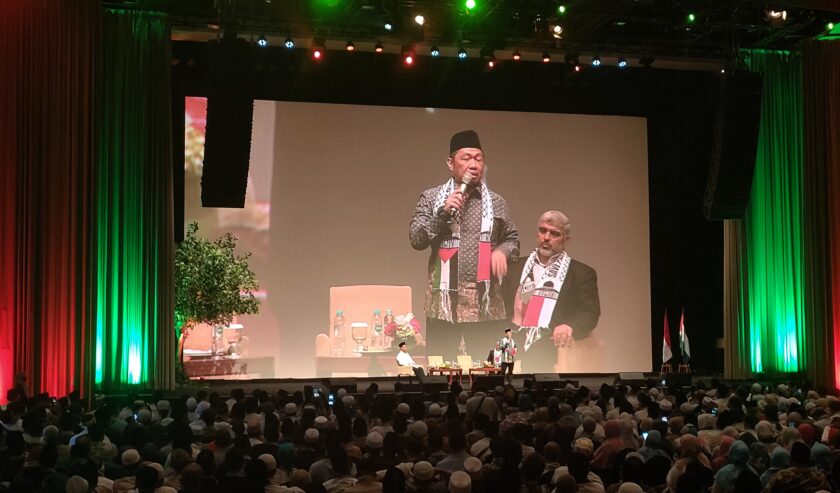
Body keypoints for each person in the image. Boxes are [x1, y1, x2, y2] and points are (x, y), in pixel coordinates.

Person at [409, 130, 519, 360]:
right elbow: (416, 239)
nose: (474, 165)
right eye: (466, 158)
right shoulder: (431, 198)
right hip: (443, 305)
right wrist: (443, 213)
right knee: (440, 371)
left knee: (488, 372)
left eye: (479, 159)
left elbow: (512, 239)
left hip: (485, 305)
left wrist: (502, 251)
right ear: (451, 163)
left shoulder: (496, 202)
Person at [505, 210, 600, 373]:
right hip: (512, 340)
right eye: (543, 231)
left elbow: (589, 312)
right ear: (537, 234)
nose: (546, 237)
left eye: (555, 233)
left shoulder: (582, 273)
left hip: (550, 345)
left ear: (566, 240)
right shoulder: (514, 268)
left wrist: (570, 326)